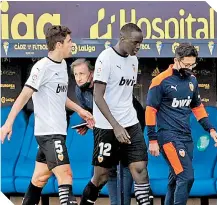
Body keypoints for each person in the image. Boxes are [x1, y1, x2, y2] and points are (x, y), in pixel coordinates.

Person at [0, 25, 95, 205]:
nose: (71, 44)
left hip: (58, 132)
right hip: (48, 134)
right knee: (66, 175)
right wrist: (8, 123)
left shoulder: (62, 66)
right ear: (59, 44)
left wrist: (80, 110)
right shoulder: (42, 67)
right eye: (69, 41)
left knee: (40, 178)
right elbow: (24, 95)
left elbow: (60, 97)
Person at [79, 23, 151, 205]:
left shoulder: (134, 60)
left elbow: (123, 94)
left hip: (130, 122)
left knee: (140, 170)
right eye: (135, 42)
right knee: (101, 176)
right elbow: (97, 96)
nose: (138, 47)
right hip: (107, 126)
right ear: (123, 38)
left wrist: (125, 122)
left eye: (140, 43)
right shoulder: (106, 58)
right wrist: (115, 125)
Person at [145, 43, 217, 205]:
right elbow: (150, 111)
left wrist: (211, 129)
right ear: (176, 60)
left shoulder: (192, 79)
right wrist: (152, 140)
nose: (189, 68)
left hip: (186, 137)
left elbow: (197, 107)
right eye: (186, 64)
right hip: (168, 137)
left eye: (192, 64)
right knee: (186, 177)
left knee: (175, 178)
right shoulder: (160, 81)